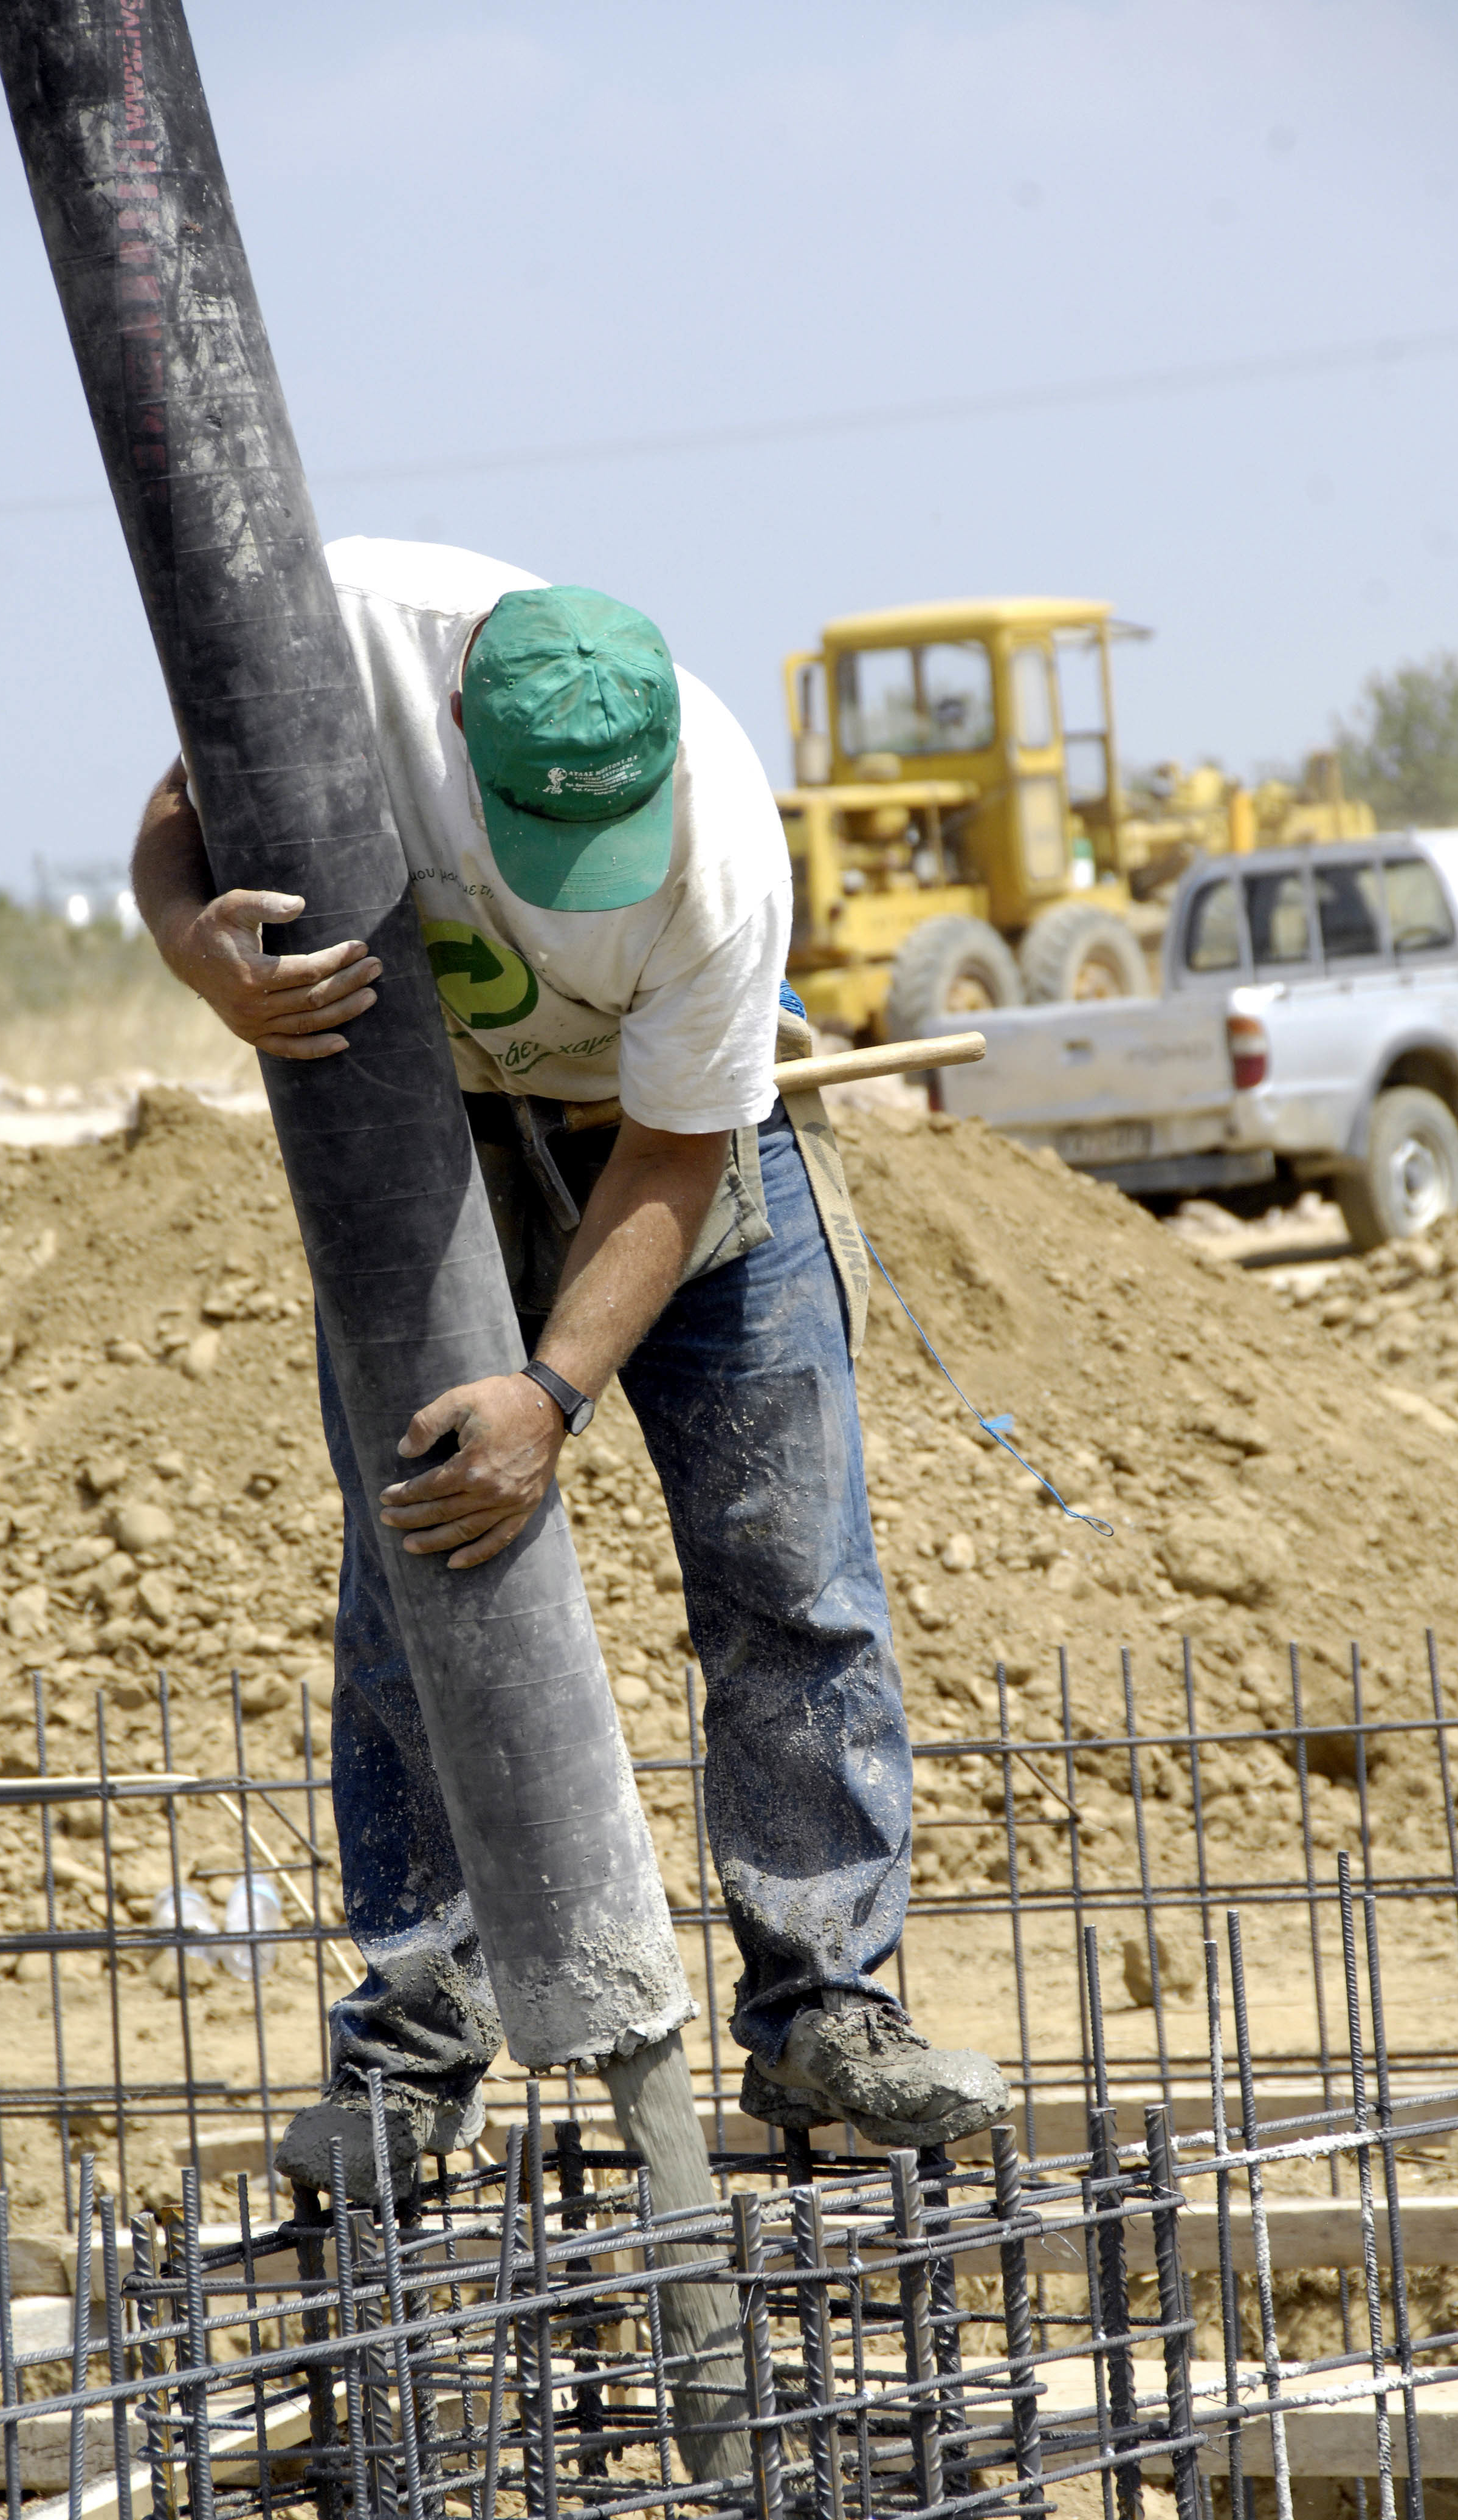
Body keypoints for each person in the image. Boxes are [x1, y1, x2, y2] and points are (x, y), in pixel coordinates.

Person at [129, 537, 1006, 2192]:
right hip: (423, 1145)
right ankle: (415, 2043)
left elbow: (678, 1159)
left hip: (665, 1144)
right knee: (419, 1577)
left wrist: (551, 1396)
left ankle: (829, 2008)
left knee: (789, 1573)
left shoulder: (725, 848)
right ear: (456, 724)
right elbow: (182, 802)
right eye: (546, 841)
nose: (576, 880)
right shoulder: (336, 634)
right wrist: (192, 944)